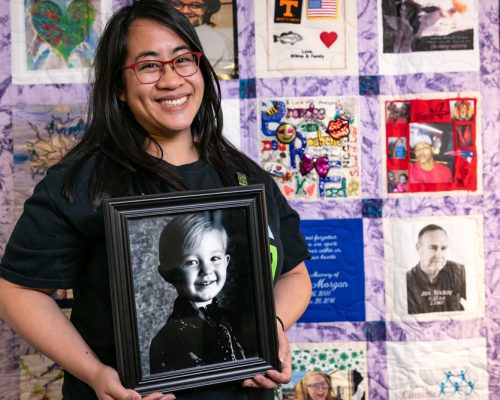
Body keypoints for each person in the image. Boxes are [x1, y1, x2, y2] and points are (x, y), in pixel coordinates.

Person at [0, 1, 312, 399]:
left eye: (183, 60)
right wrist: (95, 374)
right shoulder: (83, 180)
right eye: (148, 66)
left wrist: (273, 327)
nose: (171, 80)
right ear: (119, 87)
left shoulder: (244, 175)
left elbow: (293, 274)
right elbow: (17, 292)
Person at [149, 213, 245, 373]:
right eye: (192, 262)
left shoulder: (234, 321)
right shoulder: (171, 338)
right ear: (167, 273)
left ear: (226, 262)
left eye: (214, 258)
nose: (206, 270)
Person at [406, 224, 466, 314]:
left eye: (443, 248)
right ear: (419, 249)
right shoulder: (406, 282)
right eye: (432, 248)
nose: (439, 255)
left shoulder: (459, 271)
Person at [171, 0, 235, 77]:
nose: (185, 10)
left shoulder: (214, 39)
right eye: (176, 4)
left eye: (196, 5)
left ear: (208, 9)